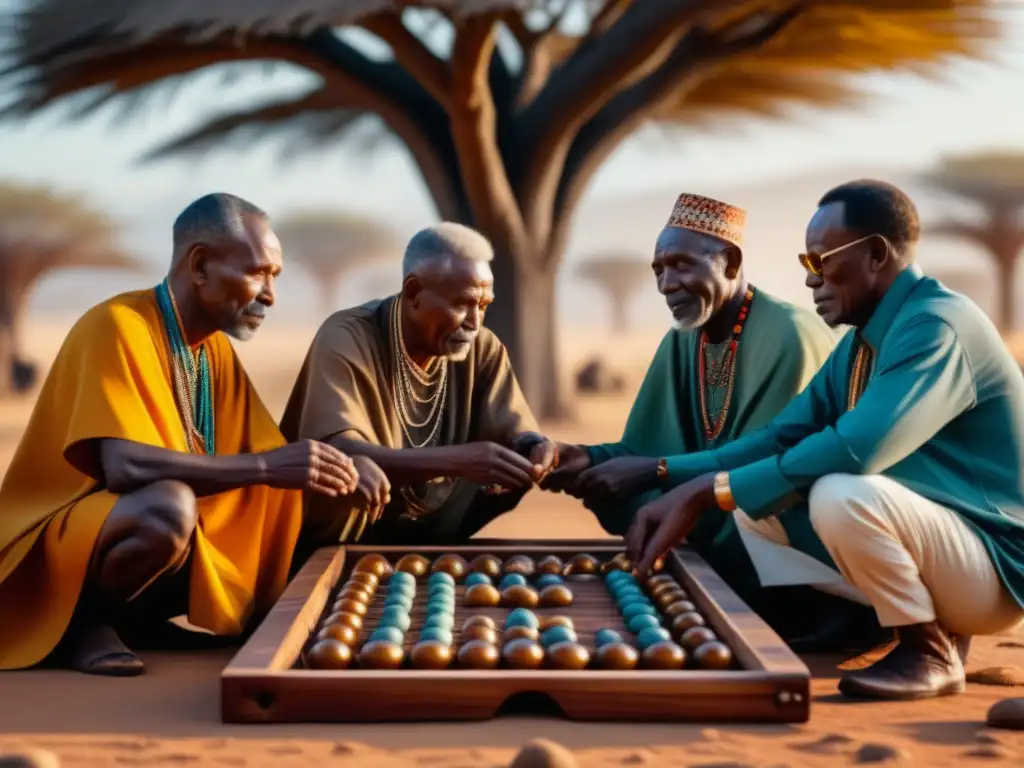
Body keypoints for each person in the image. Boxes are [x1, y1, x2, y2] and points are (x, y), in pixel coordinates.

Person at [626, 179, 1024, 700]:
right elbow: (779, 436)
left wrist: (707, 491)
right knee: (753, 503)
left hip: (996, 566)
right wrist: (671, 475)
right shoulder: (861, 342)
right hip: (950, 554)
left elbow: (859, 449)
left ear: (876, 255)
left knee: (840, 492)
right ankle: (885, 626)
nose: (810, 279)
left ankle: (927, 648)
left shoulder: (935, 325)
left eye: (820, 261)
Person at [0, 193, 360, 677]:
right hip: (45, 554)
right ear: (200, 265)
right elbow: (125, 467)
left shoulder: (212, 351)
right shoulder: (117, 324)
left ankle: (137, 621)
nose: (270, 295)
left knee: (288, 498)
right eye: (257, 273)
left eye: (275, 277)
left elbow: (269, 452)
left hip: (139, 528)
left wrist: (346, 464)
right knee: (167, 507)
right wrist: (268, 468)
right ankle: (81, 625)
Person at [543, 192, 843, 643]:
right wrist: (581, 458)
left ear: (731, 262)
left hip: (777, 521)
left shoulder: (789, 336)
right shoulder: (685, 339)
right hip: (711, 503)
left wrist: (666, 483)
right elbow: (646, 449)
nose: (666, 284)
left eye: (682, 265)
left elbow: (769, 469)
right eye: (659, 271)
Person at [279, 222, 557, 557]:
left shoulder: (483, 348)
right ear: (413, 293)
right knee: (350, 472)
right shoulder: (347, 335)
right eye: (463, 304)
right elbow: (339, 450)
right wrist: (456, 461)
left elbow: (514, 428)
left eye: (483, 306)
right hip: (344, 538)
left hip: (438, 535)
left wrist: (532, 446)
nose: (474, 322)